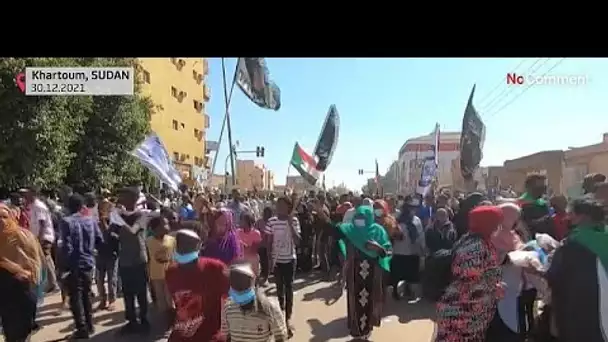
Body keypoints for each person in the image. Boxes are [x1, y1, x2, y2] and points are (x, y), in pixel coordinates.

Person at [435, 205, 504, 342]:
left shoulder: (479, 240)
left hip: (471, 311)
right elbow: (467, 274)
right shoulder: (475, 246)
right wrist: (492, 286)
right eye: (496, 223)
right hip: (462, 313)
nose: (499, 227)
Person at [547, 198, 608, 342]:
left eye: (571, 213)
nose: (567, 217)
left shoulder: (573, 243)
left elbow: (554, 275)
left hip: (580, 307)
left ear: (583, 217)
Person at [338, 205, 391, 340]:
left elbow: (388, 251)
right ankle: (356, 331)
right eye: (358, 218)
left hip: (373, 275)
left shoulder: (378, 231)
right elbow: (331, 230)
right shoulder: (348, 230)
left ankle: (367, 331)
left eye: (363, 218)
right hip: (354, 275)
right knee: (355, 301)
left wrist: (378, 248)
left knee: (371, 301)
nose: (360, 221)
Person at [166, 229, 229, 342]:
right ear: (199, 246)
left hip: (187, 335)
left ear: (175, 248)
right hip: (210, 335)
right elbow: (229, 300)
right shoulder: (216, 268)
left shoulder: (171, 271)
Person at [59, 194, 104, 339]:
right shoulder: (90, 221)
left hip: (74, 264)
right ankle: (90, 325)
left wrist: (64, 266)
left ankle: (82, 328)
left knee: (76, 297)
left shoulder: (66, 222)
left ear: (68, 206)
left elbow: (66, 246)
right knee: (86, 294)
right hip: (88, 262)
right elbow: (99, 240)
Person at [0, 203, 44, 342]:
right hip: (5, 296)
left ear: (11, 217)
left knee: (21, 333)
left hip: (23, 291)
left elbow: (36, 263)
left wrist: (21, 271)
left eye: (4, 216)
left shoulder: (24, 236)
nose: (1, 221)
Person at [111, 187, 151, 334]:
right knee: (127, 294)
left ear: (133, 199)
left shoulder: (141, 215)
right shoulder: (119, 216)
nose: (120, 199)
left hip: (139, 259)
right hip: (125, 259)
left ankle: (144, 320)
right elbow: (113, 235)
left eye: (124, 196)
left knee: (141, 293)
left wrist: (118, 218)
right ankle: (131, 321)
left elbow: (133, 231)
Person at [221, 263, 287, 342]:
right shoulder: (228, 308)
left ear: (252, 283)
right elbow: (227, 336)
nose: (238, 287)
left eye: (242, 283)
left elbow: (280, 336)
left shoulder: (269, 307)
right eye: (235, 283)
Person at [266, 196, 300, 337]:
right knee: (279, 290)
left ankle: (288, 319)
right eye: (277, 205)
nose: (279, 207)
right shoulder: (271, 222)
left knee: (289, 289)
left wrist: (290, 224)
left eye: (282, 205)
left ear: (288, 207)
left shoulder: (295, 221)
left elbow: (298, 241)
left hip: (290, 260)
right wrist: (269, 261)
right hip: (277, 261)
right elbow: (268, 243)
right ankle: (280, 318)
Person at [21, 187, 58, 293]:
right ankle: (51, 283)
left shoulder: (39, 206)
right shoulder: (32, 206)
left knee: (46, 258)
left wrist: (39, 239)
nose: (24, 196)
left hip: (44, 237)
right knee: (43, 260)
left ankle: (53, 284)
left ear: (32, 194)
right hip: (37, 237)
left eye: (26, 194)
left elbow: (42, 224)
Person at [392, 196, 426, 300]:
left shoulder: (416, 220)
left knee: (411, 274)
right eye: (410, 208)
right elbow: (393, 234)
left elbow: (420, 235)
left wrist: (422, 247)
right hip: (399, 251)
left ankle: (408, 290)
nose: (412, 210)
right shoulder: (397, 220)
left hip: (412, 251)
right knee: (398, 274)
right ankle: (395, 291)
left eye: (414, 208)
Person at [146, 216, 175, 325]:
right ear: (156, 229)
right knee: (160, 299)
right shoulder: (148, 242)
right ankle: (165, 319)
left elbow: (174, 256)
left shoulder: (172, 240)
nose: (168, 226)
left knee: (170, 298)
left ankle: (172, 318)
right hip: (156, 275)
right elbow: (148, 258)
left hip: (170, 274)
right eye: (165, 224)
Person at [237, 213, 262, 277]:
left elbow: (254, 249)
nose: (240, 221)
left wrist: (243, 245)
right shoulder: (238, 232)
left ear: (247, 222)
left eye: (242, 220)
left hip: (252, 262)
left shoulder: (256, 233)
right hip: (240, 261)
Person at [255, 207, 273, 285]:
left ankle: (266, 277)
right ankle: (262, 275)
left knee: (267, 261)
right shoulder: (259, 221)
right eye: (265, 213)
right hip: (261, 245)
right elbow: (255, 230)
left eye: (268, 213)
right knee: (262, 261)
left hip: (269, 245)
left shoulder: (272, 222)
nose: (266, 215)